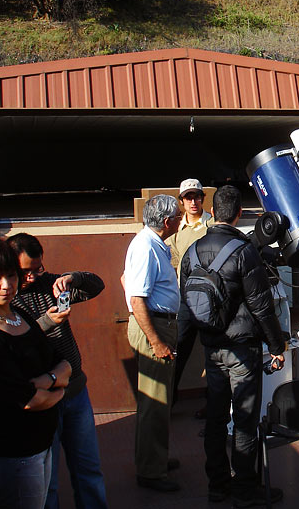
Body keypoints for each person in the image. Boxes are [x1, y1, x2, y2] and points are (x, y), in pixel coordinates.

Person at [179, 185, 286, 507]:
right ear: (239, 214)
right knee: (244, 420)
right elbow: (261, 307)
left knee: (214, 419)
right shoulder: (244, 252)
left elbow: (185, 310)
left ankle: (218, 486)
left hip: (212, 350)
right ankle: (245, 489)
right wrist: (277, 346)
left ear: (213, 212)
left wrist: (179, 354)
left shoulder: (191, 253)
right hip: (243, 351)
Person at [0, 239, 72, 509]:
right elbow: (29, 401)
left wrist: (50, 382)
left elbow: (63, 363)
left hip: (41, 446)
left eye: (11, 275)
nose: (6, 285)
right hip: (13, 454)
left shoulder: (18, 313)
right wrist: (60, 389)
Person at [7, 232, 108, 509]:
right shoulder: (6, 301)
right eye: (25, 271)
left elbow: (96, 285)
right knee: (46, 480)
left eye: (37, 269)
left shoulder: (48, 283)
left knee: (88, 469)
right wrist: (46, 323)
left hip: (75, 393)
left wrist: (71, 278)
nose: (32, 277)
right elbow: (14, 344)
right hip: (42, 401)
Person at [123, 194, 182, 492]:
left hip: (158, 325)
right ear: (168, 222)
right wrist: (156, 341)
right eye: (179, 215)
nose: (183, 219)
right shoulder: (147, 247)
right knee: (155, 402)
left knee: (157, 400)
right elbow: (137, 299)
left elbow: (126, 280)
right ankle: (150, 471)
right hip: (154, 328)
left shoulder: (149, 243)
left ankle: (154, 458)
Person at [165, 178, 213, 409]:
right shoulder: (175, 232)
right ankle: (168, 403)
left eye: (197, 196)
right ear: (181, 201)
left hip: (212, 301)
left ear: (203, 198)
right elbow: (171, 266)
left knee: (214, 354)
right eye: (188, 197)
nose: (193, 201)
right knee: (178, 351)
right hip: (185, 302)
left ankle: (213, 405)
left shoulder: (213, 225)